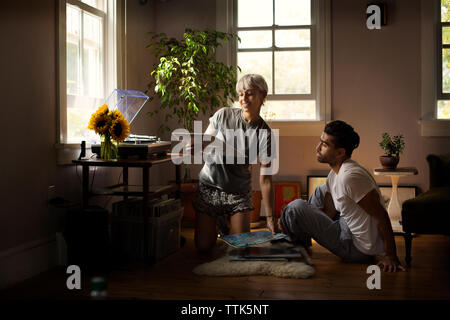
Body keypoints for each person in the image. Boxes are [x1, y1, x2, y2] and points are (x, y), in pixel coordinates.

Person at [278, 120, 405, 272]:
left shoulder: (350, 177)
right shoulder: (336, 173)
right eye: (320, 141)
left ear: (340, 152)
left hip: (356, 248)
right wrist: (308, 221)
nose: (317, 148)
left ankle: (294, 241)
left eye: (324, 145)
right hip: (346, 226)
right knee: (321, 191)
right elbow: (329, 213)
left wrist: (391, 256)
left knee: (295, 207)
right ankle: (300, 239)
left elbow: (381, 216)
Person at [193, 74, 278, 252]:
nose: (243, 99)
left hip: (238, 193)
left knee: (240, 249)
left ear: (262, 96)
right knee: (203, 247)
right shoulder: (223, 114)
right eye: (240, 94)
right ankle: (219, 222)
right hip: (210, 186)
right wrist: (195, 143)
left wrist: (270, 218)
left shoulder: (266, 134)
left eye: (249, 94)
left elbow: (266, 179)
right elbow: (207, 139)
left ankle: (226, 225)